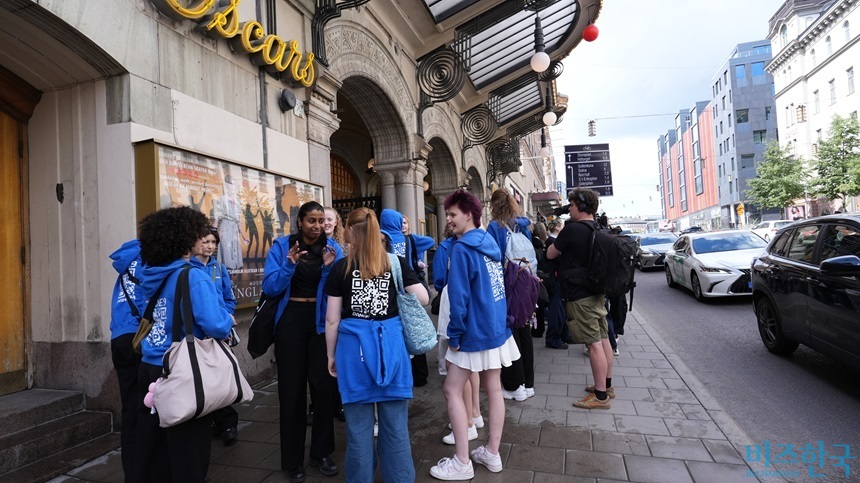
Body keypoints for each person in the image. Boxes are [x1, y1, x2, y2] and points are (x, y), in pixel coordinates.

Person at [324, 208, 428, 482]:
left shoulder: (339, 268)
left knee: (358, 432)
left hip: (353, 353)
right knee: (395, 429)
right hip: (391, 350)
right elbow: (424, 298)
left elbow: (332, 320)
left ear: (349, 231)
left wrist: (330, 356)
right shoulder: (394, 263)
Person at [135, 206, 235, 482]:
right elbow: (215, 324)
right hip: (182, 369)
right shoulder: (193, 275)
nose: (201, 239)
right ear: (184, 238)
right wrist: (228, 320)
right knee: (189, 455)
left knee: (156, 452)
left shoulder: (151, 273)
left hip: (150, 366)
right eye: (196, 233)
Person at [430, 189, 520, 480]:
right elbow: (497, 288)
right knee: (493, 388)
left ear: (468, 214)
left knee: (452, 389)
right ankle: (491, 453)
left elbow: (459, 299)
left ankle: (462, 461)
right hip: (494, 329)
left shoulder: (462, 248)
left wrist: (454, 335)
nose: (449, 220)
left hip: (472, 332)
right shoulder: (488, 242)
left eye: (453, 214)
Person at [263, 201, 344, 483]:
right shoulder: (282, 247)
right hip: (290, 322)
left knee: (323, 388)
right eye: (312, 220)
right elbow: (270, 287)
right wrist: (289, 265)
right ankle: (293, 460)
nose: (318, 226)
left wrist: (326, 268)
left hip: (322, 324)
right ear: (300, 222)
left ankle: (321, 452)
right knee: (291, 391)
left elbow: (338, 288)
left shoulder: (333, 249)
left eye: (321, 220)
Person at [546, 189, 614, 409]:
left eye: (572, 205)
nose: (569, 209)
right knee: (603, 339)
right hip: (597, 291)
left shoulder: (572, 230)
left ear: (582, 206)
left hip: (580, 294)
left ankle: (600, 396)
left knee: (593, 344)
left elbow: (550, 254)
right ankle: (607, 385)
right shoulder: (599, 227)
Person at [433, 222, 484, 444]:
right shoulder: (480, 243)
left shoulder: (449, 247)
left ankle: (466, 424)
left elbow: (439, 280)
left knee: (455, 364)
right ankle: (475, 413)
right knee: (470, 365)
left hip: (453, 303)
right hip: (473, 307)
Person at [190, 226, 240, 445]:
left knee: (220, 378)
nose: (209, 246)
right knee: (202, 380)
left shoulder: (218, 267)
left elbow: (229, 298)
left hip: (219, 332)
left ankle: (228, 424)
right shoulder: (188, 269)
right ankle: (210, 420)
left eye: (213, 242)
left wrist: (227, 316)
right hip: (197, 333)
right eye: (205, 241)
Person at [486, 189, 535, 402]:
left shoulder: (495, 226)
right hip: (526, 281)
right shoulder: (523, 225)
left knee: (509, 332)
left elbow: (491, 257)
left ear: (494, 205)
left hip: (507, 283)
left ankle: (515, 385)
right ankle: (528, 383)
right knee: (524, 329)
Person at [380, 209, 434, 387]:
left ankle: (399, 373)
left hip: (388, 290)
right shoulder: (409, 239)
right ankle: (420, 375)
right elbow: (430, 241)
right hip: (409, 286)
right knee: (412, 326)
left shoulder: (381, 238)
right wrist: (409, 234)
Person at [108, 239, 145, 480]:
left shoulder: (125, 264)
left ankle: (131, 473)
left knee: (130, 408)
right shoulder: (147, 262)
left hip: (118, 337)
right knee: (150, 405)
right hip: (138, 339)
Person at [542, 219, 573, 349]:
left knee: (562, 309)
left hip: (557, 279)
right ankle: (553, 337)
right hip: (554, 280)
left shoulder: (552, 241)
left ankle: (564, 334)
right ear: (557, 227)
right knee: (557, 309)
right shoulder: (552, 241)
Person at [214, 174, 244, 269]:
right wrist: (214, 230)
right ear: (226, 186)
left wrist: (243, 235)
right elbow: (217, 215)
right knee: (226, 248)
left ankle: (233, 272)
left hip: (234, 227)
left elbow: (238, 219)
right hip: (225, 226)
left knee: (234, 248)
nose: (232, 187)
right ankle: (225, 270)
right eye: (230, 184)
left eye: (234, 184)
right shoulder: (222, 199)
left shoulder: (238, 202)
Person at [531, 222, 548, 338]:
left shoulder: (532, 243)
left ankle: (536, 328)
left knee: (535, 304)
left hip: (534, 274)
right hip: (541, 274)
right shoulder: (542, 245)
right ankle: (539, 328)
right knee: (540, 304)